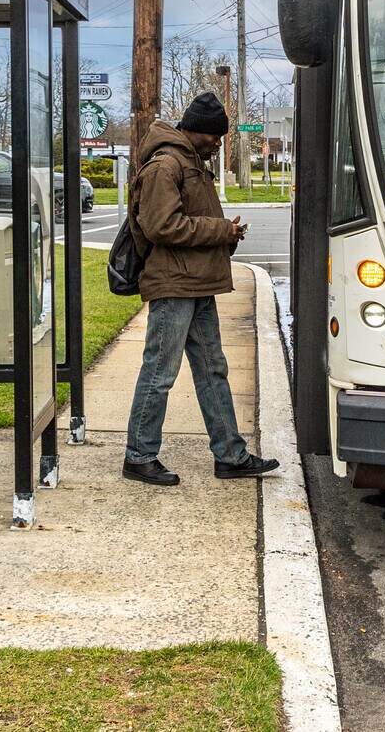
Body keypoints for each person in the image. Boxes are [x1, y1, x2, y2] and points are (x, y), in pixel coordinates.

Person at [123, 91, 279, 486]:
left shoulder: (191, 162)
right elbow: (162, 226)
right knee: (160, 372)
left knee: (212, 370)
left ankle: (230, 455)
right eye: (215, 138)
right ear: (198, 131)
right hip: (174, 284)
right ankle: (138, 456)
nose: (218, 144)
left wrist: (227, 236)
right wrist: (220, 230)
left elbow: (190, 221)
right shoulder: (165, 164)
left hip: (196, 283)